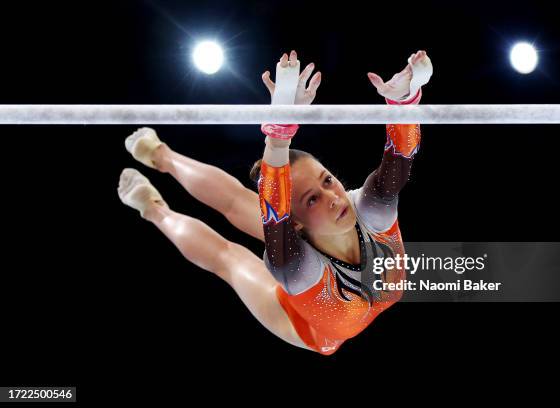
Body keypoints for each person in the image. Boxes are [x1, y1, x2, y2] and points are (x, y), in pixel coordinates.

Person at [118, 49, 433, 355]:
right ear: (295, 221)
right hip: (304, 325)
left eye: (327, 180)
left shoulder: (370, 211)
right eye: (312, 199)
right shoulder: (300, 268)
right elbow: (273, 211)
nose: (334, 197)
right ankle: (156, 203)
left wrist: (401, 103)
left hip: (310, 272)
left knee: (240, 202)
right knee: (227, 256)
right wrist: (278, 133)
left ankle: (158, 162)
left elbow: (400, 157)